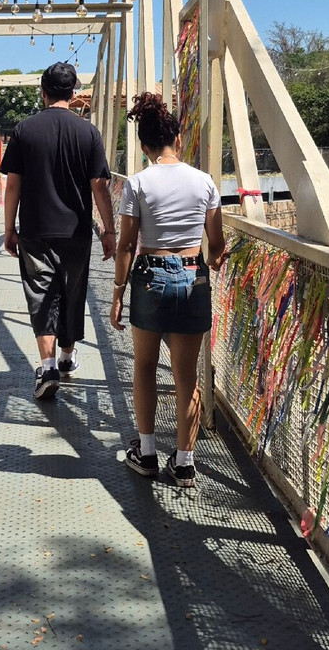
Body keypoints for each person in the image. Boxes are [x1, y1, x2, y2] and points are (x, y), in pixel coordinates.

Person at [110, 92, 226, 487]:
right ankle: (185, 462)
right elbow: (217, 239)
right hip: (193, 274)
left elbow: (127, 244)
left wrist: (118, 293)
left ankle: (145, 453)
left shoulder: (138, 183)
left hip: (149, 275)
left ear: (143, 146)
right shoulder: (204, 182)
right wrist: (214, 258)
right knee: (186, 377)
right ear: (178, 138)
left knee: (143, 366)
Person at [0, 62, 117, 401]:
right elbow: (99, 185)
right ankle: (67, 358)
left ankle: (48, 365)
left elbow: (12, 186)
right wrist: (109, 230)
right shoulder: (88, 132)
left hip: (35, 230)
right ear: (74, 93)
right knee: (71, 292)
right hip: (76, 231)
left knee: (41, 295)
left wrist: (10, 228)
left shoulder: (24, 130)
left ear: (43, 91)